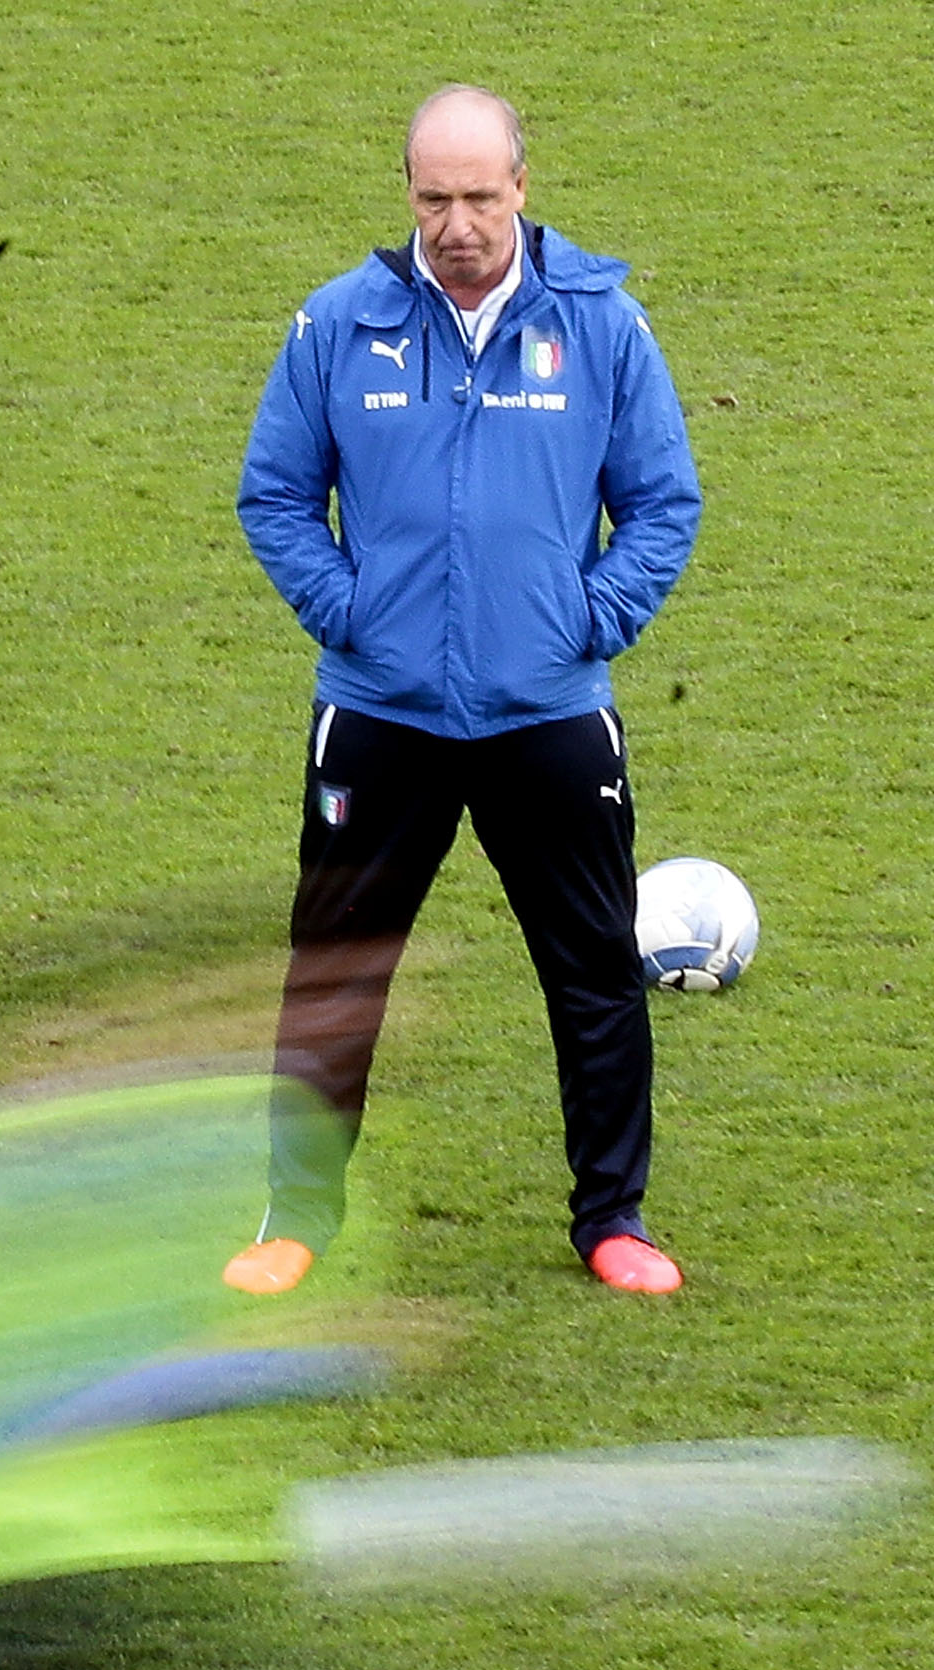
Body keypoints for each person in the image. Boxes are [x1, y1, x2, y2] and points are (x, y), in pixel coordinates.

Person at [232, 84, 701, 1298]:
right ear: (409, 195)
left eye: (480, 198)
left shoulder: (603, 328)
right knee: (334, 971)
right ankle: (297, 1218)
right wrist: (354, 616)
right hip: (380, 717)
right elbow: (277, 497)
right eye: (434, 199)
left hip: (548, 716)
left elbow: (662, 506)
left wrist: (586, 623)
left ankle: (614, 1221)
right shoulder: (338, 326)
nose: (456, 224)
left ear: (523, 192)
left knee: (594, 970)